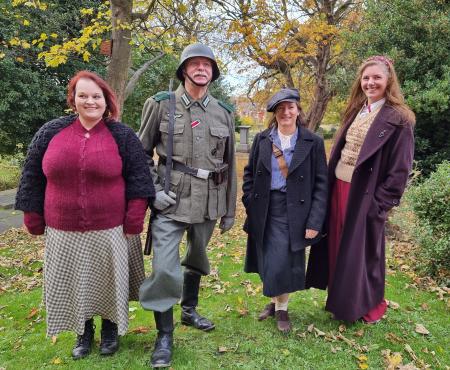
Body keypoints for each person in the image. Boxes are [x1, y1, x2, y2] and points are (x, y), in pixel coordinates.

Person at [15, 71, 154, 359]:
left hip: (110, 228)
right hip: (62, 229)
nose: (90, 101)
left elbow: (139, 178)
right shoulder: (50, 132)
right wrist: (32, 214)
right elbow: (31, 176)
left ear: (106, 101)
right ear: (73, 100)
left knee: (108, 281)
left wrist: (134, 217)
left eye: (96, 96)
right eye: (83, 96)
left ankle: (110, 329)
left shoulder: (122, 135)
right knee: (77, 281)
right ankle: (83, 331)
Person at [138, 43, 237, 367]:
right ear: (183, 70)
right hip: (171, 200)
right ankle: (163, 336)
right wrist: (152, 191)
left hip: (209, 200)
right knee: (165, 268)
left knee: (196, 259)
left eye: (206, 65)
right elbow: (140, 155)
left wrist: (230, 210)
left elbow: (229, 162)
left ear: (213, 72)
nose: (200, 69)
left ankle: (189, 311)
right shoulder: (161, 105)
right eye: (194, 64)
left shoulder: (223, 111)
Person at [306, 56, 415, 323]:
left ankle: (366, 307)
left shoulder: (399, 119)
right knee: (338, 247)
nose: (370, 83)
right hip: (339, 191)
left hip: (365, 197)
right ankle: (340, 302)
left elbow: (399, 171)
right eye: (366, 78)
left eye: (376, 77)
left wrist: (379, 205)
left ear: (389, 80)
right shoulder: (357, 110)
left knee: (363, 254)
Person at [242, 88, 328, 333]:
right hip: (264, 209)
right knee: (267, 259)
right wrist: (249, 201)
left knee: (283, 260)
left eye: (290, 107)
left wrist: (315, 222)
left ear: (298, 110)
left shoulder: (313, 142)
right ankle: (274, 301)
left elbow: (321, 185)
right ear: (275, 113)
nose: (286, 112)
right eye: (281, 109)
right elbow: (249, 174)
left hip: (294, 212)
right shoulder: (262, 139)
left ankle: (282, 309)